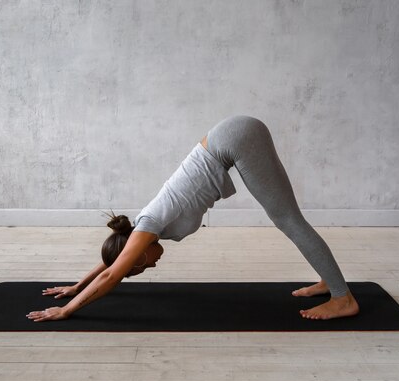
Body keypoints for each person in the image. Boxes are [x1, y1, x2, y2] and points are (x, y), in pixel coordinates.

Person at [27, 116, 359, 322]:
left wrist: (67, 310)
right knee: (287, 218)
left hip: (234, 140)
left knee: (287, 219)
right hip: (230, 138)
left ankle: (343, 298)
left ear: (138, 253)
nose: (154, 266)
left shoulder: (148, 226)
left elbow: (115, 273)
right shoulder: (143, 234)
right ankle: (331, 283)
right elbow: (114, 264)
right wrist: (76, 285)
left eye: (145, 266)